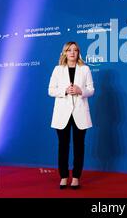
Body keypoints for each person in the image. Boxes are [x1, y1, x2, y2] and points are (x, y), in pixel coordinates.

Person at [48, 41, 94, 189]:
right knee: (63, 146)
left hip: (80, 112)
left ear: (78, 52)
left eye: (75, 50)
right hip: (62, 114)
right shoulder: (58, 69)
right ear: (65, 53)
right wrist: (65, 91)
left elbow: (91, 90)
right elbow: (51, 90)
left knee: (79, 146)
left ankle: (75, 177)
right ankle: (63, 176)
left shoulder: (85, 69)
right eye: (69, 50)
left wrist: (81, 91)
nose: (72, 53)